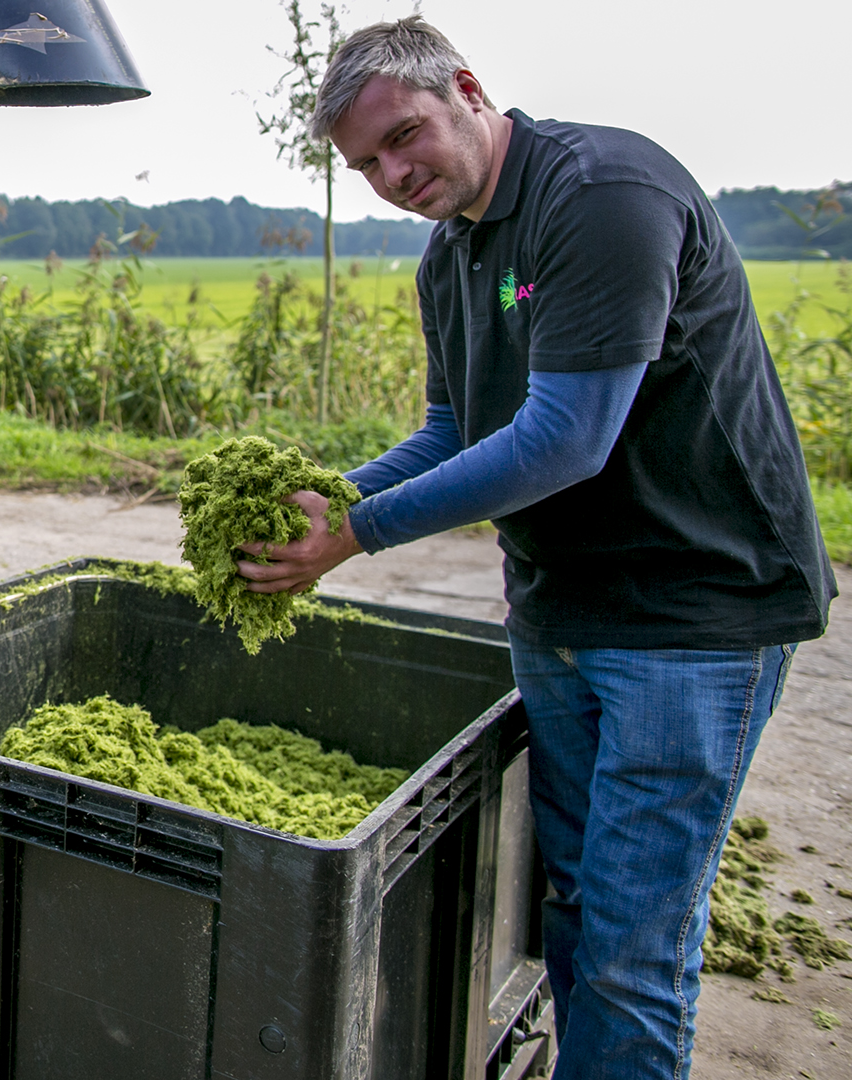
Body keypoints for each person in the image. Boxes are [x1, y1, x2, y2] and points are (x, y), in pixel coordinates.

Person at [234, 16, 836, 1080]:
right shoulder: (451, 258)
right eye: (366, 163)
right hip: (558, 610)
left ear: (466, 88)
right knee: (571, 904)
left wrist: (355, 537)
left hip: (692, 617)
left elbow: (565, 440)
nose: (392, 174)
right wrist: (332, 496)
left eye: (404, 137)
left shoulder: (603, 196)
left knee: (630, 946)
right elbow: (455, 428)